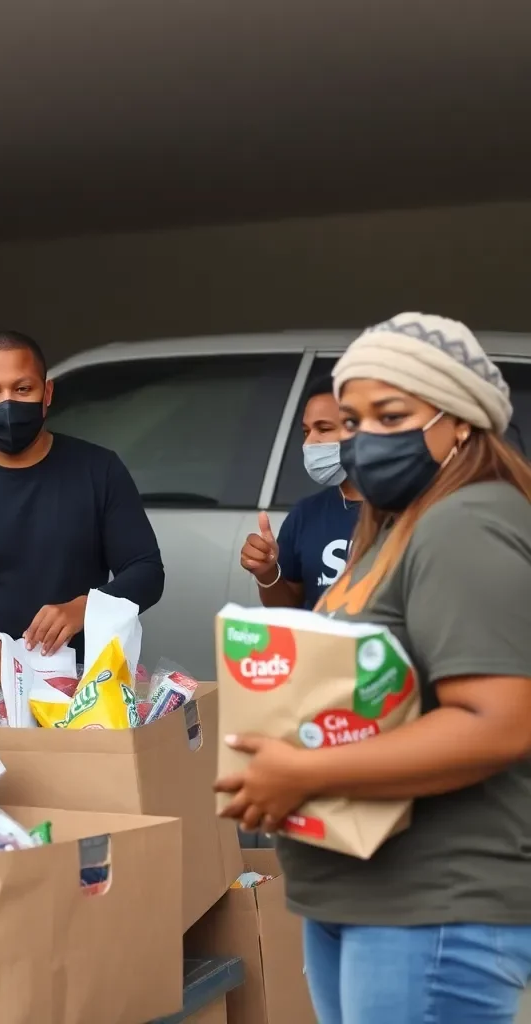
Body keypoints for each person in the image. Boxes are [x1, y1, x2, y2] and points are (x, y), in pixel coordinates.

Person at [215, 313, 531, 1023]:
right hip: (365, 890)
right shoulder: (394, 526)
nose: (362, 439)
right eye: (351, 419)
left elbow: (501, 723)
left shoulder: (467, 523)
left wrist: (304, 773)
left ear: (460, 422)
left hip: (433, 905)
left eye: (391, 415)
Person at [0, 330, 165, 702]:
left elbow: (146, 572)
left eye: (22, 389)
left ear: (47, 393)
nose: (7, 404)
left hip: (84, 694)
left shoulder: (99, 471)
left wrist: (86, 608)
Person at [240, 375, 362, 609]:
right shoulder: (306, 514)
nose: (310, 443)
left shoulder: (410, 512)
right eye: (306, 432)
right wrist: (267, 573)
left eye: (324, 428)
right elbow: (288, 609)